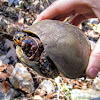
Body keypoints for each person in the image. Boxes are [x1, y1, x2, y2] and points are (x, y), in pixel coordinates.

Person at [34, 0, 100, 79]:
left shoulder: (43, 56)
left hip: (77, 54)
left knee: (45, 56)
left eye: (32, 47)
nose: (30, 47)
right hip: (49, 32)